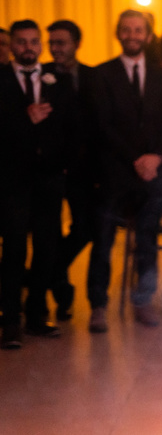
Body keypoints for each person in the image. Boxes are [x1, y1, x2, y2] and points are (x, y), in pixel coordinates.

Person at [89, 9, 162, 331]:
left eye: (139, 30)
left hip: (152, 172)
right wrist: (135, 159)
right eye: (127, 30)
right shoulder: (101, 74)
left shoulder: (161, 75)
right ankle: (98, 305)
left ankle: (144, 301)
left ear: (148, 36)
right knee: (103, 238)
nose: (133, 35)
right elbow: (103, 125)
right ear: (118, 34)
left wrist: (155, 158)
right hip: (115, 171)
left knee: (148, 237)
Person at [0, 20, 77, 349]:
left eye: (34, 42)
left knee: (47, 246)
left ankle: (36, 316)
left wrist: (63, 167)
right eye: (21, 42)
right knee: (15, 247)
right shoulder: (1, 79)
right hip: (12, 177)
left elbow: (70, 124)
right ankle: (11, 322)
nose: (28, 47)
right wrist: (24, 119)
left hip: (49, 176)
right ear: (12, 46)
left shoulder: (57, 79)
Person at [46, 19, 97, 320]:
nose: (56, 49)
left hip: (83, 168)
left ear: (77, 44)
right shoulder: (42, 75)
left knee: (85, 227)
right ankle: (61, 294)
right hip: (50, 168)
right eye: (52, 43)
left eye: (62, 43)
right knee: (50, 231)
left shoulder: (93, 76)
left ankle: (53, 269)